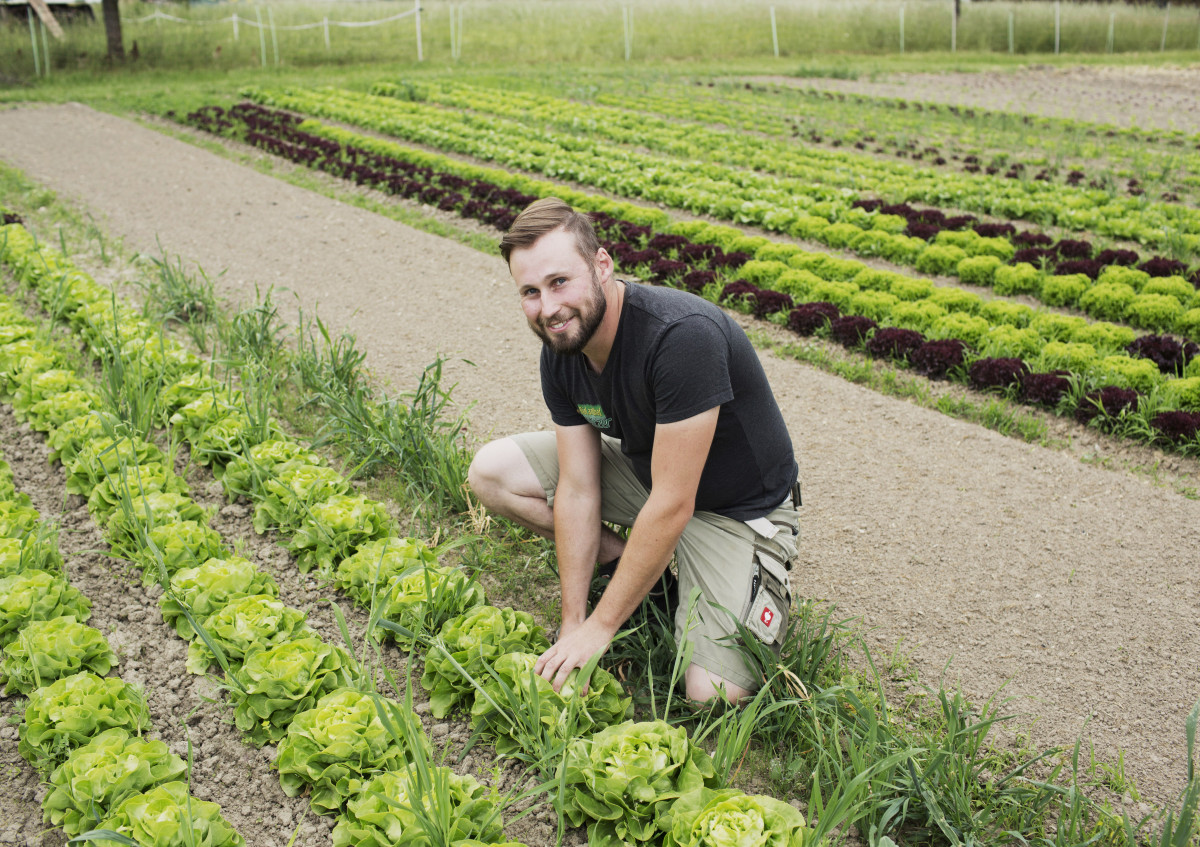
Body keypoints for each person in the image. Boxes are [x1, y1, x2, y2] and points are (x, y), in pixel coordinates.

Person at [467, 197, 801, 703]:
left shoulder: (680, 337)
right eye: (530, 292)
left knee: (713, 694)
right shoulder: (563, 346)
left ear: (602, 266)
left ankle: (744, 582)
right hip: (653, 475)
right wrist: (573, 622)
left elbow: (673, 504)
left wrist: (602, 629)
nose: (549, 308)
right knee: (492, 472)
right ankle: (654, 581)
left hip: (736, 509)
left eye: (560, 282)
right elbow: (579, 490)